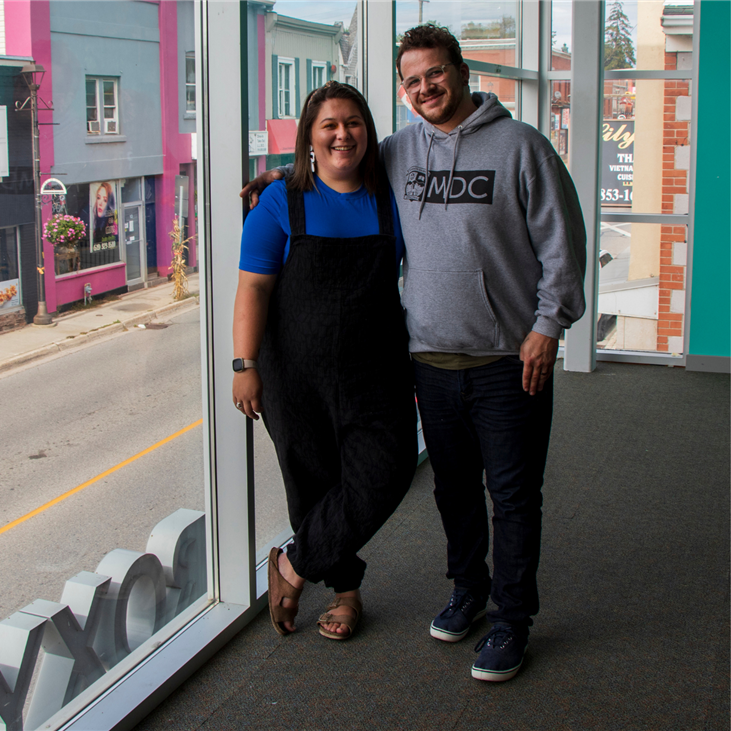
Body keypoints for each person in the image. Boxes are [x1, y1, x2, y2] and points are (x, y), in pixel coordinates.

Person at [242, 26, 586, 680]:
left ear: (460, 72)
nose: (425, 87)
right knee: (454, 491)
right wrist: (277, 179)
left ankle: (512, 620)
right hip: (430, 359)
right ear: (402, 91)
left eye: (435, 73)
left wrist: (549, 325)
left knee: (513, 497)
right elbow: (335, 165)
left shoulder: (522, 146)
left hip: (509, 360)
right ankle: (468, 590)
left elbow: (562, 245)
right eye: (411, 81)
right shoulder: (399, 151)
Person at [233, 81, 417, 641]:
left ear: (369, 131)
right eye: (329, 125)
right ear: (309, 138)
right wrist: (244, 365)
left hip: (377, 371)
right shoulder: (279, 202)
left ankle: (292, 565)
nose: (342, 134)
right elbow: (253, 288)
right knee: (312, 483)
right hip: (295, 375)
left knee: (388, 471)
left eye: (353, 122)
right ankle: (345, 591)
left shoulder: (393, 199)